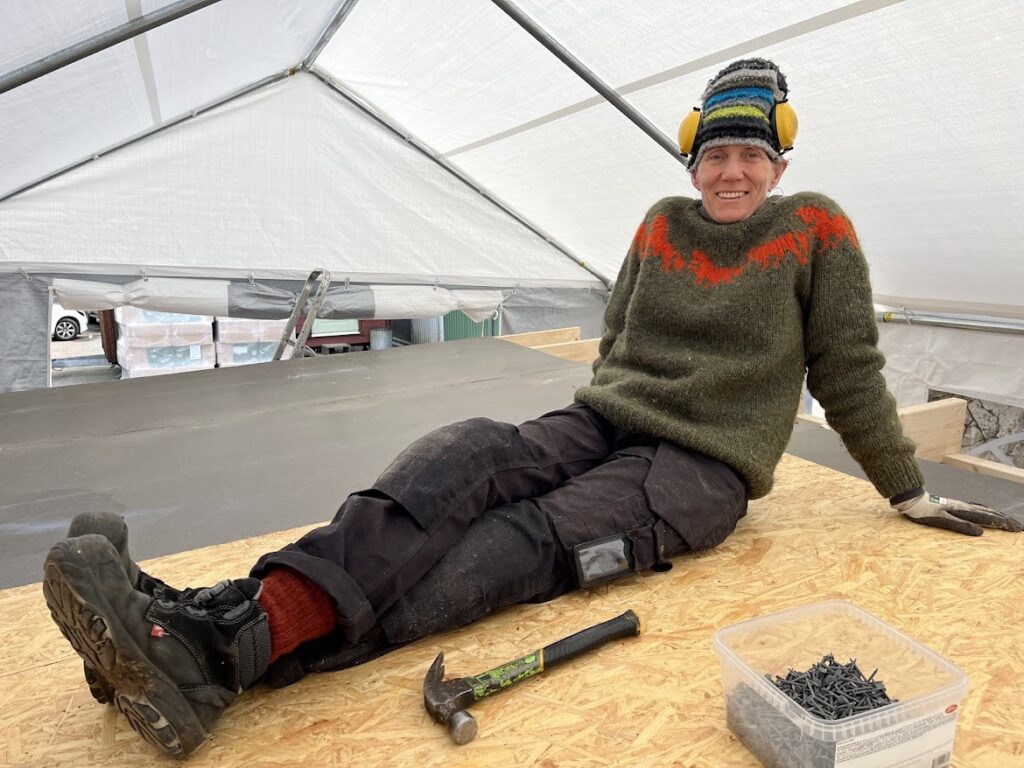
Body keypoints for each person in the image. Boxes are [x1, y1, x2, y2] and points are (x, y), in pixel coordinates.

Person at [42, 58, 1021, 758]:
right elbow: (622, 339)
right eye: (715, 152)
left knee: (519, 541)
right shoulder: (661, 226)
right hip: (606, 417)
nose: (731, 170)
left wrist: (904, 488)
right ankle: (219, 614)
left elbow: (847, 369)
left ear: (779, 163)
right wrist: (600, 420)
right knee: (463, 454)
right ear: (691, 160)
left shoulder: (816, 232)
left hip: (700, 470)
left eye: (749, 154)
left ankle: (226, 654)